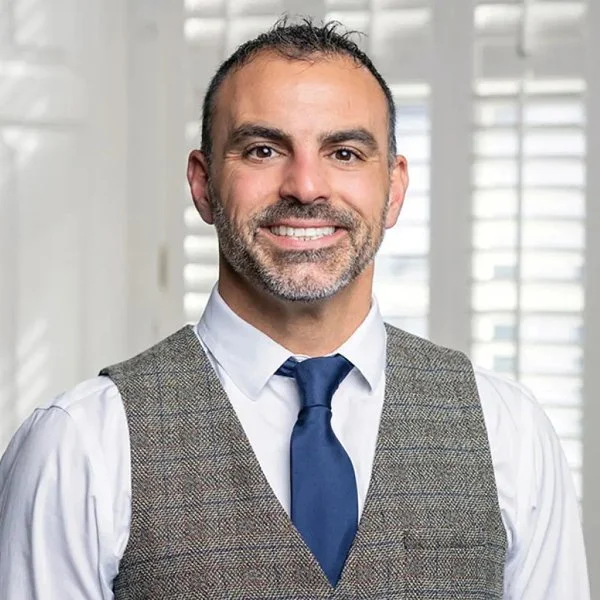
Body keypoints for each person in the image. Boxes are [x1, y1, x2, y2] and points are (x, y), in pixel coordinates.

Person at [0, 18, 590, 600]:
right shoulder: (79, 447)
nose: (306, 187)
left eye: (345, 153)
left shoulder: (509, 432)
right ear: (203, 185)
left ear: (394, 189)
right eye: (263, 150)